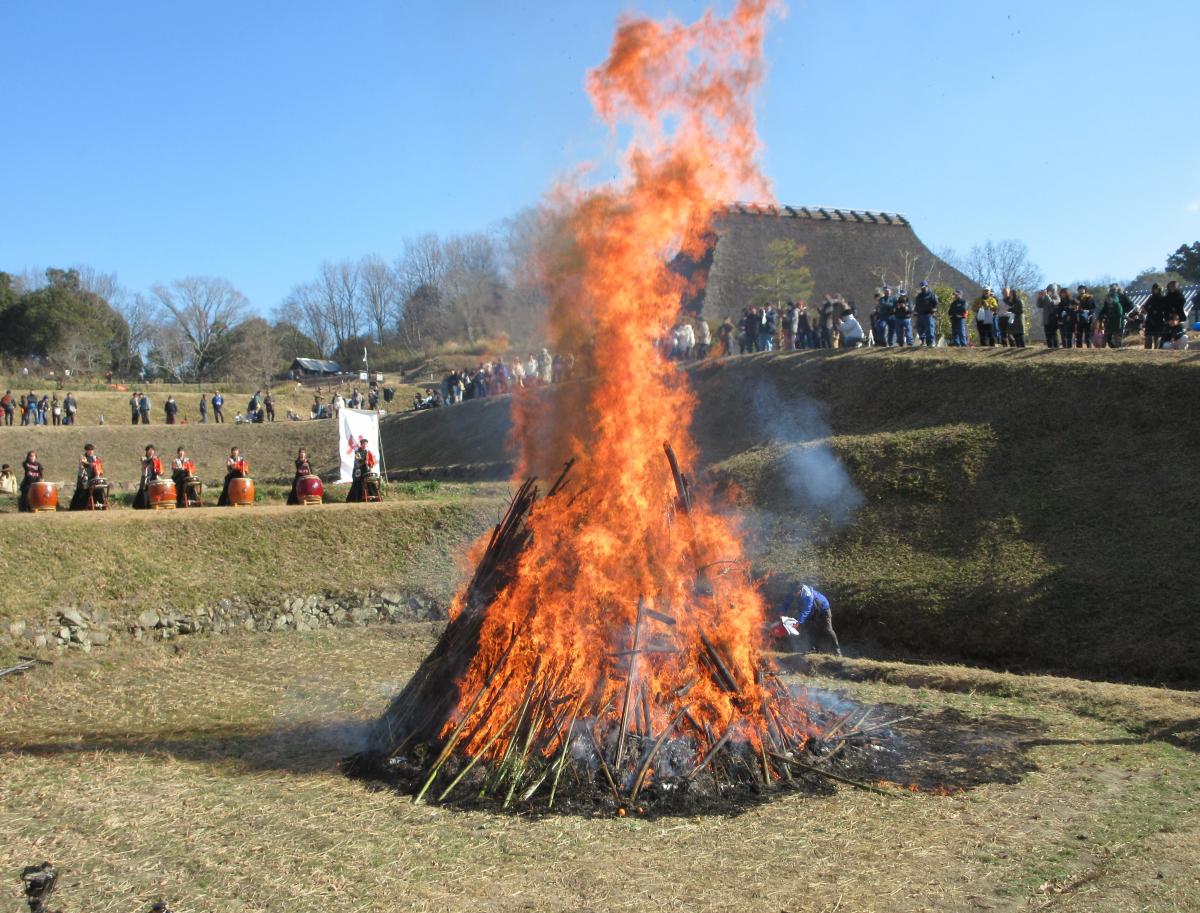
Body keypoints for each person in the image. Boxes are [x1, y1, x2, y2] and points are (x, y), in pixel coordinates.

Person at [778, 584, 842, 656]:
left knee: (828, 629)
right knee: (810, 628)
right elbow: (786, 603)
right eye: (793, 592)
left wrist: (798, 622)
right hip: (813, 610)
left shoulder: (808, 595)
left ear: (800, 590)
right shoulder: (793, 591)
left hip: (823, 609)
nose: (794, 594)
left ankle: (837, 650)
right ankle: (814, 649)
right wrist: (781, 612)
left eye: (795, 593)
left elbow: (806, 610)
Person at [69, 444, 106, 510]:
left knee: (99, 489)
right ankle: (80, 508)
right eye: (89, 450)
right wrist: (90, 464)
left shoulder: (95, 458)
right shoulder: (83, 457)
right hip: (85, 478)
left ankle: (100, 506)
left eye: (92, 450)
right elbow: (83, 464)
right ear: (86, 451)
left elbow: (99, 468)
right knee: (82, 491)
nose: (91, 452)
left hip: (93, 478)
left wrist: (98, 471)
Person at [346, 436, 379, 502]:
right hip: (358, 470)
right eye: (363, 444)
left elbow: (371, 461)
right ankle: (357, 499)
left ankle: (372, 498)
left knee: (370, 482)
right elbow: (358, 460)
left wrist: (369, 463)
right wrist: (365, 461)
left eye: (366, 444)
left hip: (366, 469)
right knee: (358, 482)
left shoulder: (368, 452)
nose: (365, 445)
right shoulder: (357, 451)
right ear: (361, 444)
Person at [132, 444, 163, 509]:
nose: (151, 451)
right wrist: (152, 459)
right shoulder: (144, 458)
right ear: (146, 451)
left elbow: (160, 470)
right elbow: (146, 462)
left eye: (152, 450)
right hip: (145, 477)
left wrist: (160, 472)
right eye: (149, 450)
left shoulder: (157, 460)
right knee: (143, 491)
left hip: (154, 477)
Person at [1142, 284, 1167, 349]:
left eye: (1156, 289)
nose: (1154, 290)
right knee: (1148, 337)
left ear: (1159, 289)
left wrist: (1157, 310)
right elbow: (1145, 307)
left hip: (1159, 319)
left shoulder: (1163, 298)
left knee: (1157, 337)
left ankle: (1157, 351)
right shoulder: (1151, 298)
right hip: (1150, 319)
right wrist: (1146, 309)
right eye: (1153, 289)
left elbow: (1164, 309)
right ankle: (1147, 351)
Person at [914, 281, 939, 346]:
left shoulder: (932, 295)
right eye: (922, 288)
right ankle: (923, 341)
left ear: (927, 286)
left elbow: (936, 303)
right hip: (920, 314)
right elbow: (917, 304)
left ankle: (930, 342)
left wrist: (934, 310)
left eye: (924, 287)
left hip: (929, 314)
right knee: (920, 329)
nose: (923, 289)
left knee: (929, 329)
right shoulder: (919, 296)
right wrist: (915, 311)